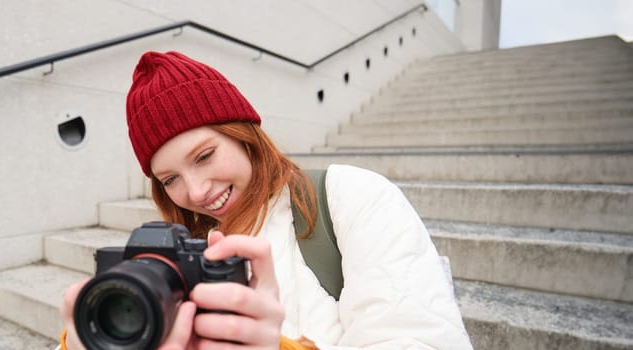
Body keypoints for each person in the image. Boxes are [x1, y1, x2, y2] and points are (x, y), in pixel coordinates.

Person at [57, 51, 473, 349]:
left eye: (204, 156)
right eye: (170, 179)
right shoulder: (172, 257)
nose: (197, 192)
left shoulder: (352, 197)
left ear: (243, 134)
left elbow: (421, 337)